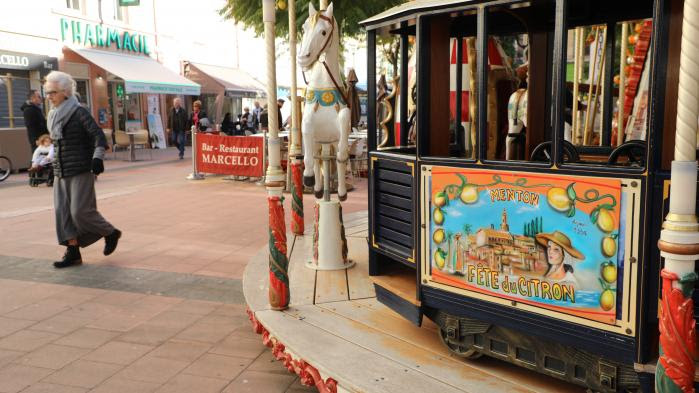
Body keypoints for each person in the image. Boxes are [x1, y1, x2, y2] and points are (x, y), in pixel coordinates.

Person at [45, 71, 121, 268]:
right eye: (47, 92)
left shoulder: (79, 112)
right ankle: (73, 253)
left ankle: (110, 232)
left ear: (65, 92)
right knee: (63, 213)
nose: (49, 96)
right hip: (60, 171)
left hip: (80, 169)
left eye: (52, 92)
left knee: (80, 212)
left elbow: (99, 137)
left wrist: (97, 158)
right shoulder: (53, 115)